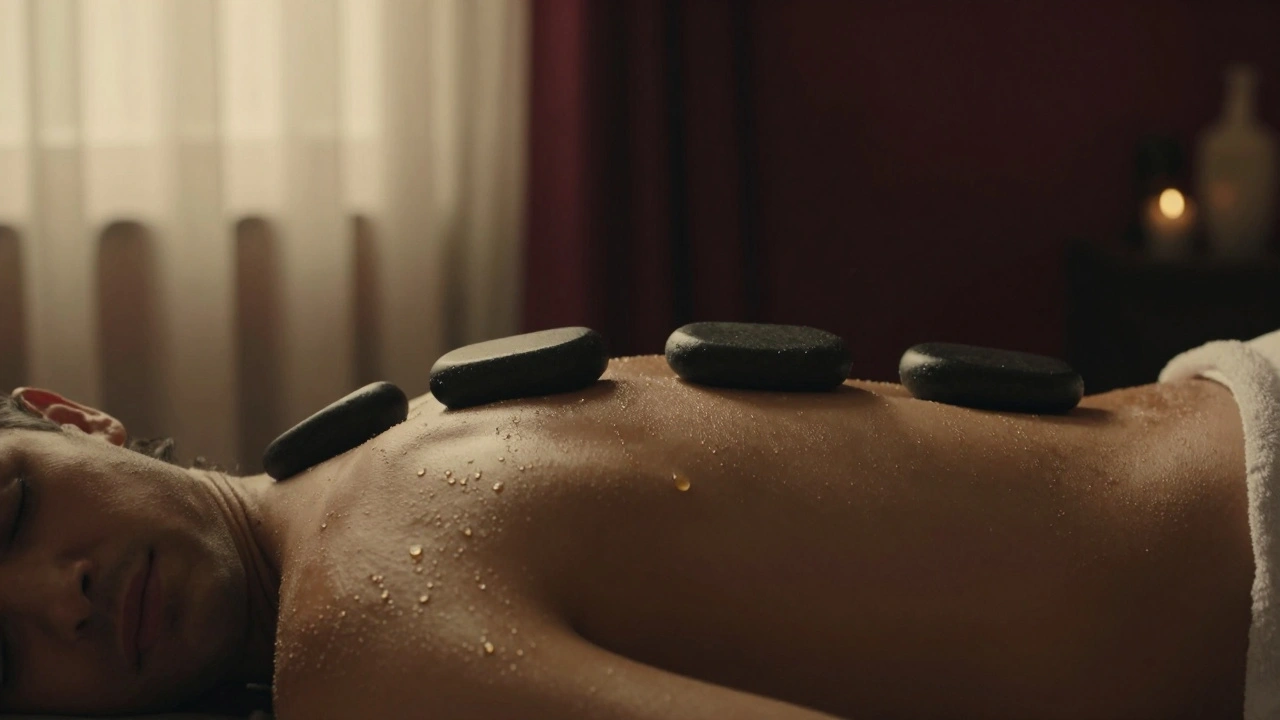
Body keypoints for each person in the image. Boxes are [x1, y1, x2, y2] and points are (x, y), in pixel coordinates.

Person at [0, 354, 1255, 719]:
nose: (62, 599)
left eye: (14, 512)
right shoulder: (379, 451)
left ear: (70, 419)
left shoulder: (351, 641)